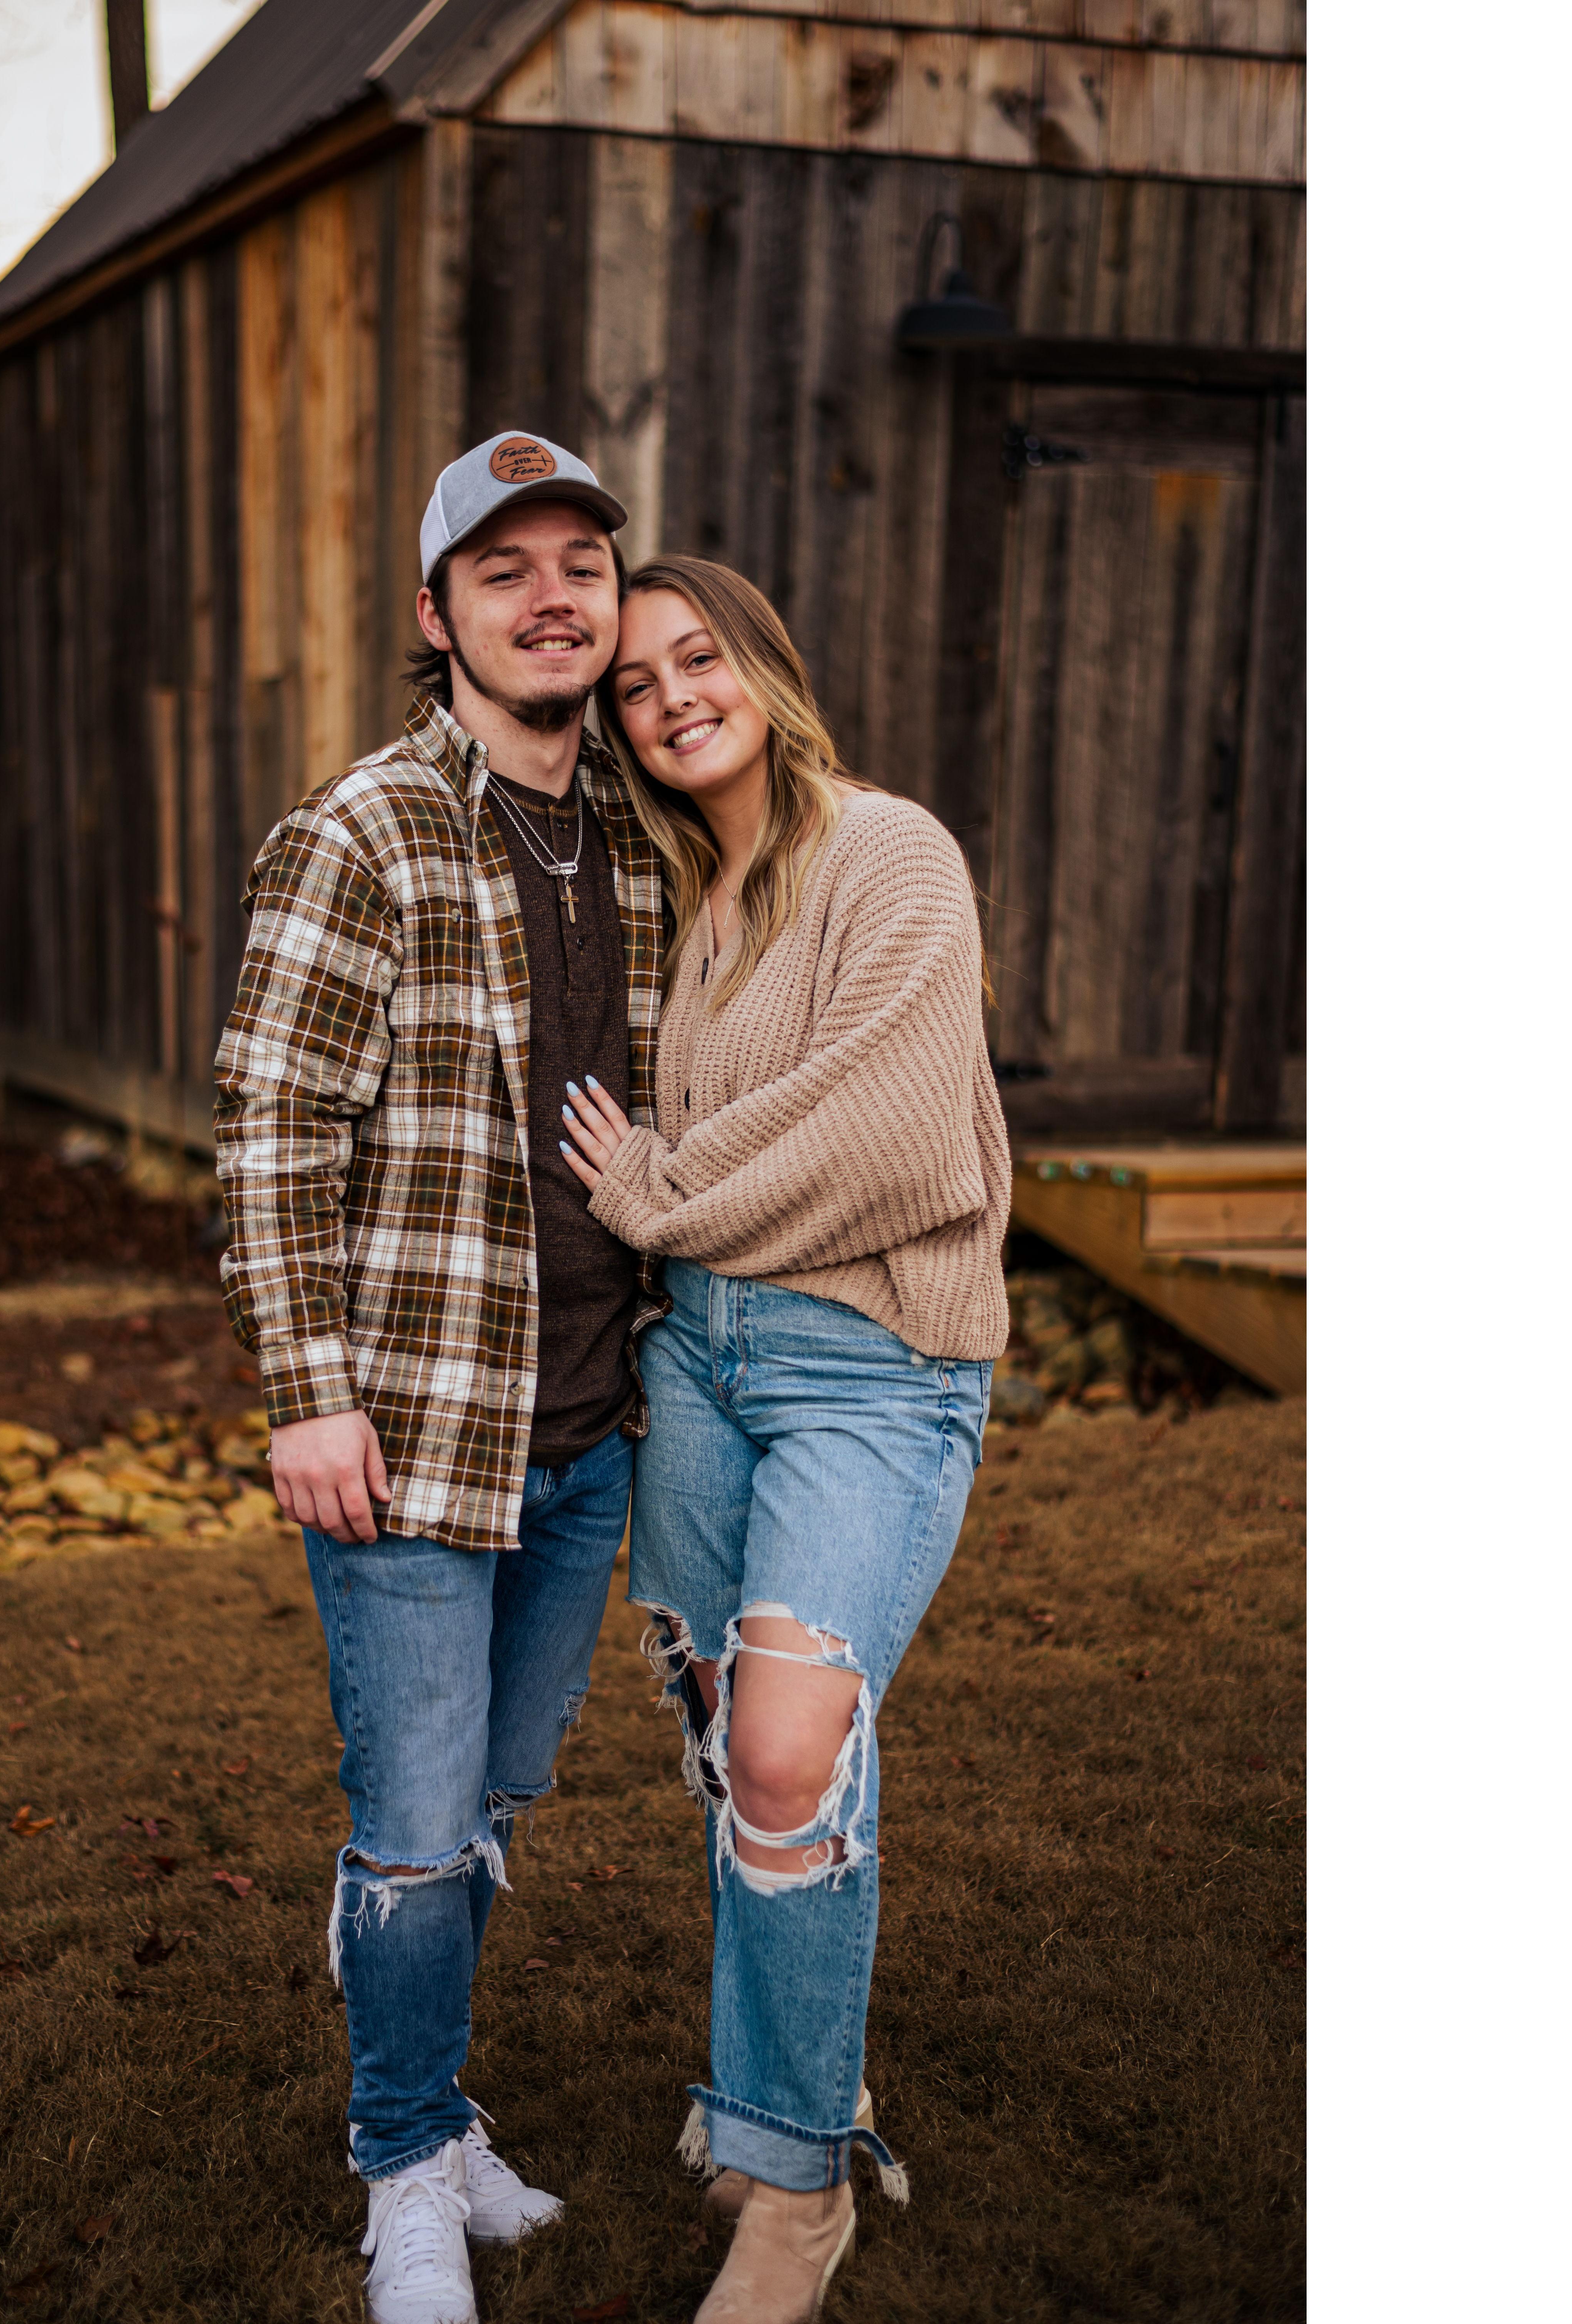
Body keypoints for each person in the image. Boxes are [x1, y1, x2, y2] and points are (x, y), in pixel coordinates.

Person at [214, 430, 668, 2324]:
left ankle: (428, 2071)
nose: (552, 597)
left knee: (492, 1798)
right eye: (505, 570)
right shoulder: (365, 833)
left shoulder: (644, 836)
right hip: (410, 1437)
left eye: (581, 565)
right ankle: (405, 2162)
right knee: (414, 1823)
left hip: (592, 1427)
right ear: (436, 611)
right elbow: (271, 1129)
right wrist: (306, 1389)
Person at [558, 556, 1011, 2323]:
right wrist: (673, 1224)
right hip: (703, 1368)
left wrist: (657, 1193)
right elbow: (763, 1136)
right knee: (729, 1750)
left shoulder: (888, 852)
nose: (672, 696)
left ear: (762, 662)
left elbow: (885, 1132)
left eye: (698, 657)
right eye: (636, 685)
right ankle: (795, 2084)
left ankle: (799, 2189)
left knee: (789, 1745)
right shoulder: (699, 901)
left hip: (867, 1369)